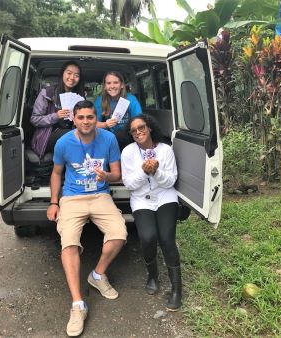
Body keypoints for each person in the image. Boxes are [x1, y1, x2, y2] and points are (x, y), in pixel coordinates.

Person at [47, 100, 127, 337]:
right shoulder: (63, 142)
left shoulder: (109, 139)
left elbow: (116, 174)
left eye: (90, 117)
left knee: (119, 234)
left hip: (100, 194)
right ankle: (77, 305)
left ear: (96, 118)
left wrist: (107, 176)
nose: (85, 121)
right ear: (74, 118)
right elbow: (56, 173)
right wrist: (53, 202)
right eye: (81, 117)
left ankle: (97, 275)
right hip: (72, 198)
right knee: (69, 242)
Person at [120, 114, 182, 311]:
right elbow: (129, 184)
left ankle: (176, 289)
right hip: (141, 199)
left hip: (165, 196)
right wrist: (144, 171)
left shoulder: (165, 150)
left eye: (142, 127)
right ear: (130, 134)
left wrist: (156, 172)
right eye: (134, 130)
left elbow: (171, 181)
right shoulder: (128, 153)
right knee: (148, 237)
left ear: (150, 128)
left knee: (166, 239)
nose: (138, 132)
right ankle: (153, 275)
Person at [30, 61, 85, 158]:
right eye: (69, 73)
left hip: (71, 133)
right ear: (62, 74)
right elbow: (34, 119)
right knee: (73, 137)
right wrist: (56, 116)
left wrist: (77, 120)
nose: (72, 78)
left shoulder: (79, 97)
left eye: (76, 75)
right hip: (47, 137)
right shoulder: (47, 93)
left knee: (85, 135)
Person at [94, 71, 142, 149]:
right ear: (105, 86)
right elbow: (92, 124)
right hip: (108, 139)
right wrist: (105, 125)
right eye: (109, 83)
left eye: (115, 82)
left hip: (129, 137)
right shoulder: (100, 101)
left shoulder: (131, 99)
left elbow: (139, 120)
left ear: (122, 85)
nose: (112, 86)